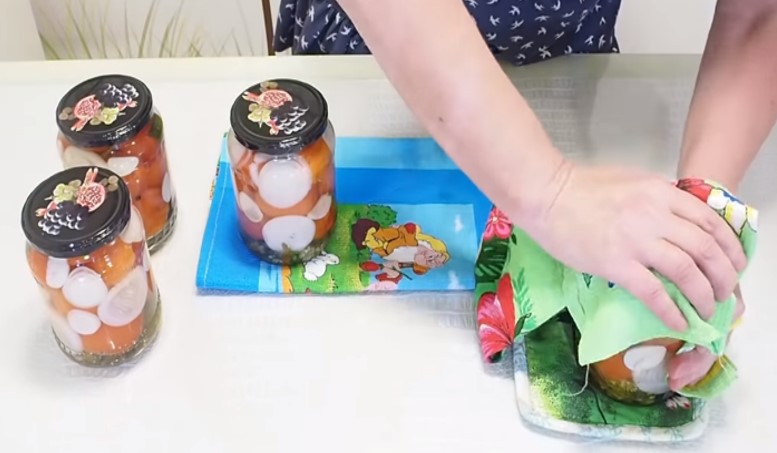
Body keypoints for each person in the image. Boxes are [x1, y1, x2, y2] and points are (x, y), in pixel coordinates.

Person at [275, 1, 775, 345]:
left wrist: (697, 216)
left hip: (569, 78)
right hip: (371, 69)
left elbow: (757, 14)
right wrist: (552, 191)